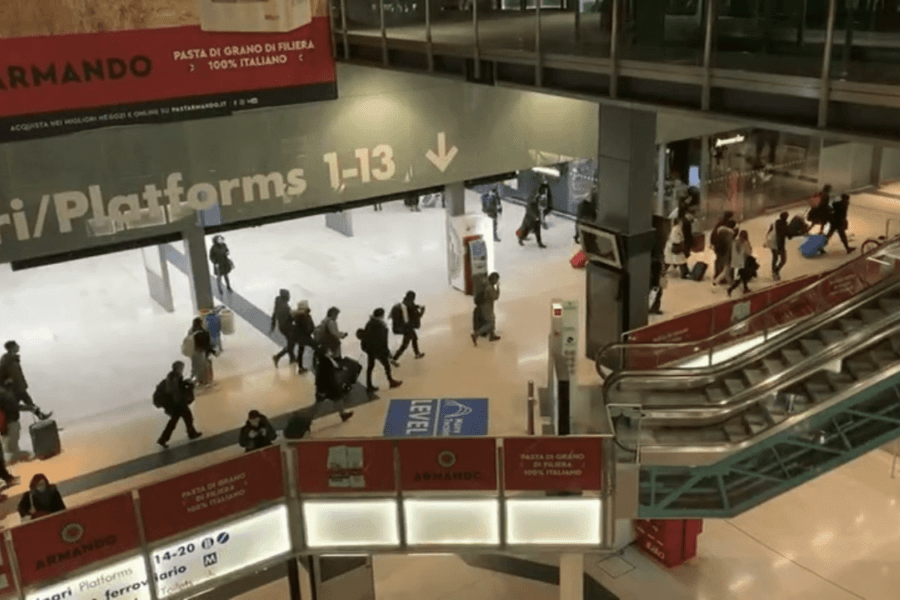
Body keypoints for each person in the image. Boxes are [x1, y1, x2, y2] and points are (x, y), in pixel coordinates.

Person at [0, 342, 52, 421]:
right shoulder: (6, 359)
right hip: (13, 389)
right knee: (15, 407)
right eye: (16, 345)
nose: (18, 346)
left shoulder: (14, 358)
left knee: (29, 403)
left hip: (20, 387)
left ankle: (41, 416)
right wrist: (6, 381)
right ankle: (31, 410)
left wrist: (23, 384)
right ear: (11, 347)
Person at [156, 361, 202, 449]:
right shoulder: (174, 377)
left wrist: (184, 383)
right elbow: (175, 391)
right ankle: (191, 433)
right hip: (177, 404)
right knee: (185, 417)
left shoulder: (173, 376)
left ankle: (163, 439)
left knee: (177, 420)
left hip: (175, 403)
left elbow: (176, 387)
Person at [362, 308, 403, 395]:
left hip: (370, 349)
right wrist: (386, 351)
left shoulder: (369, 323)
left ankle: (369, 386)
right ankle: (391, 381)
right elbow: (382, 339)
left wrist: (365, 347)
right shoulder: (380, 325)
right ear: (381, 315)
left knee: (370, 367)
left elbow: (365, 336)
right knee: (386, 365)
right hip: (378, 349)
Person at [313, 347, 354, 422]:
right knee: (336, 399)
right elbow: (332, 368)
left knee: (336, 399)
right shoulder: (326, 361)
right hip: (328, 385)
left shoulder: (320, 360)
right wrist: (341, 369)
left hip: (326, 385)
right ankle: (342, 415)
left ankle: (342, 415)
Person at [390, 292, 426, 365]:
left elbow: (412, 306)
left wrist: (418, 306)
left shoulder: (404, 303)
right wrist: (422, 311)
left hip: (405, 327)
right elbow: (414, 317)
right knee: (405, 345)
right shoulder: (407, 307)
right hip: (406, 328)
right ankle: (394, 359)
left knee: (414, 338)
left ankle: (417, 353)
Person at [0, 381, 27, 465]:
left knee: (10, 455)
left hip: (8, 426)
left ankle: (33, 458)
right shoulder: (5, 391)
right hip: (13, 423)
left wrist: (3, 429)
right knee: (13, 452)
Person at [472, 272, 501, 346]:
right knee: (490, 323)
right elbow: (496, 296)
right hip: (487, 307)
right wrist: (498, 288)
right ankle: (476, 334)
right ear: (494, 279)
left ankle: (492, 335)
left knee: (492, 319)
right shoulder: (490, 287)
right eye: (496, 280)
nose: (496, 281)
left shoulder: (485, 283)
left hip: (484, 306)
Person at [271, 289, 296, 367]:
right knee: (291, 344)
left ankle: (292, 359)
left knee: (291, 343)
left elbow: (274, 315)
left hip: (282, 327)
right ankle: (279, 357)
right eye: (288, 296)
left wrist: (273, 325)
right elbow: (290, 319)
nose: (289, 297)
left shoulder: (278, 303)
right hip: (287, 328)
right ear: (286, 297)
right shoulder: (285, 307)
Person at [727, 230, 755, 296]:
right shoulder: (745, 244)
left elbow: (731, 252)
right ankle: (730, 289)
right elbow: (748, 253)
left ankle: (745, 288)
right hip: (741, 264)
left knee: (742, 278)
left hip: (734, 264)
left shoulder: (734, 242)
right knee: (740, 279)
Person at [292, 301, 316, 374]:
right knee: (317, 348)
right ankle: (315, 366)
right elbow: (309, 327)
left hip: (300, 336)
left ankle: (300, 367)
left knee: (300, 351)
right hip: (306, 337)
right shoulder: (304, 316)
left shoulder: (297, 316)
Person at [189, 317, 214, 388]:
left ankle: (195, 381)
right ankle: (205, 382)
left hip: (194, 354)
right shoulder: (204, 333)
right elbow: (207, 345)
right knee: (205, 367)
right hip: (202, 353)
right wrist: (212, 351)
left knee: (195, 368)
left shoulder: (191, 332)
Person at [712, 219, 737, 286]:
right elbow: (730, 246)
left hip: (719, 252)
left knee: (725, 270)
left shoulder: (720, 231)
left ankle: (718, 280)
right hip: (726, 254)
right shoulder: (730, 234)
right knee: (727, 269)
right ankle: (728, 282)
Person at [769, 211, 790, 281]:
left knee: (775, 258)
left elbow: (769, 232)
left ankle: (774, 271)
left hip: (773, 243)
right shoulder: (785, 225)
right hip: (780, 244)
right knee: (783, 260)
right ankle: (776, 270)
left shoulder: (775, 223)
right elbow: (788, 235)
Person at [649, 246, 664, 315]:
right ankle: (654, 307)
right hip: (656, 272)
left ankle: (652, 307)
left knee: (654, 291)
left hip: (654, 273)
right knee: (657, 291)